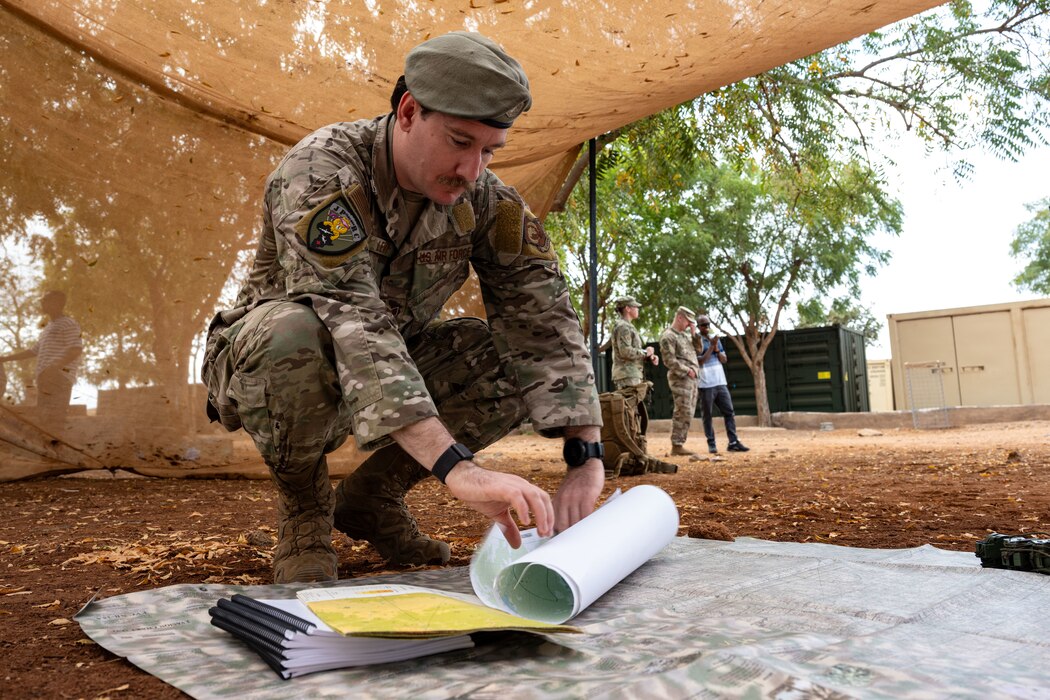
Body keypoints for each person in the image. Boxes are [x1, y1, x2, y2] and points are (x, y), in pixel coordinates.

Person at [202, 32, 605, 584]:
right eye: (460, 142)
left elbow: (543, 316)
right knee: (292, 333)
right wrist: (455, 467)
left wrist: (586, 456)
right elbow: (352, 316)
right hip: (286, 363)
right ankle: (304, 515)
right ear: (409, 111)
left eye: (489, 151)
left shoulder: (486, 200)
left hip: (392, 365)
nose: (471, 170)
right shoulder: (321, 169)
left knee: (502, 357)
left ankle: (371, 498)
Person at [0, 290, 83, 429]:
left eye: (45, 301)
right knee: (45, 418)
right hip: (45, 377)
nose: (42, 303)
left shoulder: (69, 323)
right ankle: (49, 449)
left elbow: (76, 349)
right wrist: (5, 359)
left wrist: (54, 367)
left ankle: (57, 448)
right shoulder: (49, 327)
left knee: (55, 417)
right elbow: (34, 351)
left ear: (56, 303)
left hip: (58, 377)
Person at [694, 314, 749, 454]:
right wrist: (712, 347)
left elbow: (724, 359)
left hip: (720, 382)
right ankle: (711, 443)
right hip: (706, 384)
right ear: (698, 327)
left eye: (708, 324)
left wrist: (717, 349)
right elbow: (700, 361)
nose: (707, 327)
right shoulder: (696, 341)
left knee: (729, 412)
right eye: (703, 325)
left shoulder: (715, 340)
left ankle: (733, 442)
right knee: (707, 415)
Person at [658, 306, 700, 457]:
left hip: (692, 379)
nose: (689, 325)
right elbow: (669, 360)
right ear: (680, 318)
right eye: (688, 322)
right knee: (682, 410)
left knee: (689, 411)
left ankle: (680, 443)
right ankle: (676, 445)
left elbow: (699, 350)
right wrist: (687, 371)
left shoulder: (685, 336)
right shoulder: (668, 336)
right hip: (680, 378)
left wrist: (695, 334)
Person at [610, 296, 658, 389]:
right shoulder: (623, 327)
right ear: (627, 308)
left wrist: (648, 356)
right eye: (635, 307)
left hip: (630, 374)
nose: (637, 309)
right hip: (627, 375)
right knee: (630, 403)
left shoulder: (627, 326)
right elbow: (625, 351)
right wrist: (645, 353)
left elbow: (630, 351)